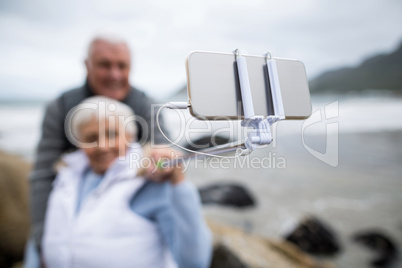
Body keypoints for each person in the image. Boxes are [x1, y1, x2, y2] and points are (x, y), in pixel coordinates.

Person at [29, 34, 171, 251]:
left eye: (122, 66)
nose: (114, 74)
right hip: (66, 213)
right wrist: (41, 239)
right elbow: (43, 174)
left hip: (129, 217)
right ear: (87, 65)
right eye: (105, 65)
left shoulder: (147, 106)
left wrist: (162, 167)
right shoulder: (61, 107)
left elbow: (166, 158)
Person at [41, 96, 211, 268]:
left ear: (130, 136)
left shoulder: (151, 180)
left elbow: (194, 262)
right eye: (91, 137)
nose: (103, 146)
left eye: (112, 134)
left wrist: (178, 181)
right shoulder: (66, 177)